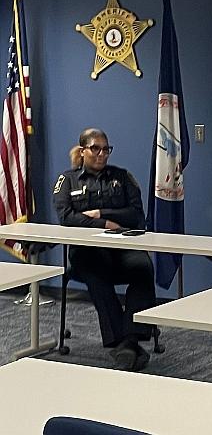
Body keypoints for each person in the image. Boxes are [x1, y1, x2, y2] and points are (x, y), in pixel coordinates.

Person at [53, 128, 155, 371]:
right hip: (88, 252)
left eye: (106, 149)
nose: (102, 154)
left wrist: (102, 213)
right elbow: (67, 217)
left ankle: (130, 339)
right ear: (82, 151)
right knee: (95, 272)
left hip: (121, 249)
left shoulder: (122, 177)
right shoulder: (67, 180)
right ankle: (122, 342)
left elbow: (137, 216)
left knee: (143, 267)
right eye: (95, 148)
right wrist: (104, 224)